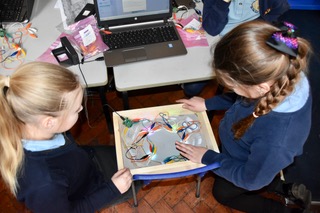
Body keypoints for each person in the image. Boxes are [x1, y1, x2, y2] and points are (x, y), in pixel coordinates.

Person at [176, 20, 312, 212]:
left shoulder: (277, 141)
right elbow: (242, 98)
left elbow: (251, 180)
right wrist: (207, 103)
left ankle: (284, 210)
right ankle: (282, 188)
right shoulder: (279, 74)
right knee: (263, 171)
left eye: (233, 86)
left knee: (221, 193)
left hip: (248, 165)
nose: (232, 90)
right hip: (246, 152)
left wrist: (208, 158)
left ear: (262, 88)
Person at [0, 62, 133, 212]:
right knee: (136, 180)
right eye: (76, 110)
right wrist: (113, 189)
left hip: (87, 163)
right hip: (93, 189)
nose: (82, 109)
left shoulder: (38, 126)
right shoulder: (43, 184)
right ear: (49, 122)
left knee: (126, 158)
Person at [182, 0, 290, 97]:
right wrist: (223, 2)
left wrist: (245, 37)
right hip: (217, 39)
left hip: (246, 43)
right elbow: (212, 28)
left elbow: (265, 27)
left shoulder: (278, 4)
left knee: (196, 86)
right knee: (192, 88)